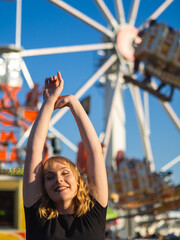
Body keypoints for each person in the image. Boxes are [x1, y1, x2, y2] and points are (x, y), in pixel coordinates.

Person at [23, 71, 108, 240]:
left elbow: (94, 152)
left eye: (65, 173)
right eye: (50, 177)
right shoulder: (38, 217)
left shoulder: (94, 212)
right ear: (43, 187)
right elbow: (34, 151)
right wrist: (48, 103)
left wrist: (73, 103)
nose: (58, 180)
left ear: (78, 180)